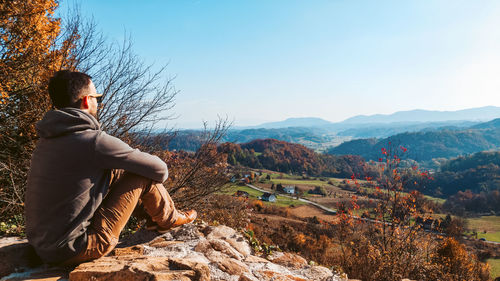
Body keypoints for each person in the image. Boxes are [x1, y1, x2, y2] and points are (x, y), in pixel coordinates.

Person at [25, 70, 196, 265]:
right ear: (87, 101)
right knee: (141, 175)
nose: (99, 102)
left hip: (43, 248)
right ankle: (168, 220)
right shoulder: (93, 142)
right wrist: (134, 154)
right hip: (78, 249)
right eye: (98, 97)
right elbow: (159, 170)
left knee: (116, 170)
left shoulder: (47, 140)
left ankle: (156, 218)